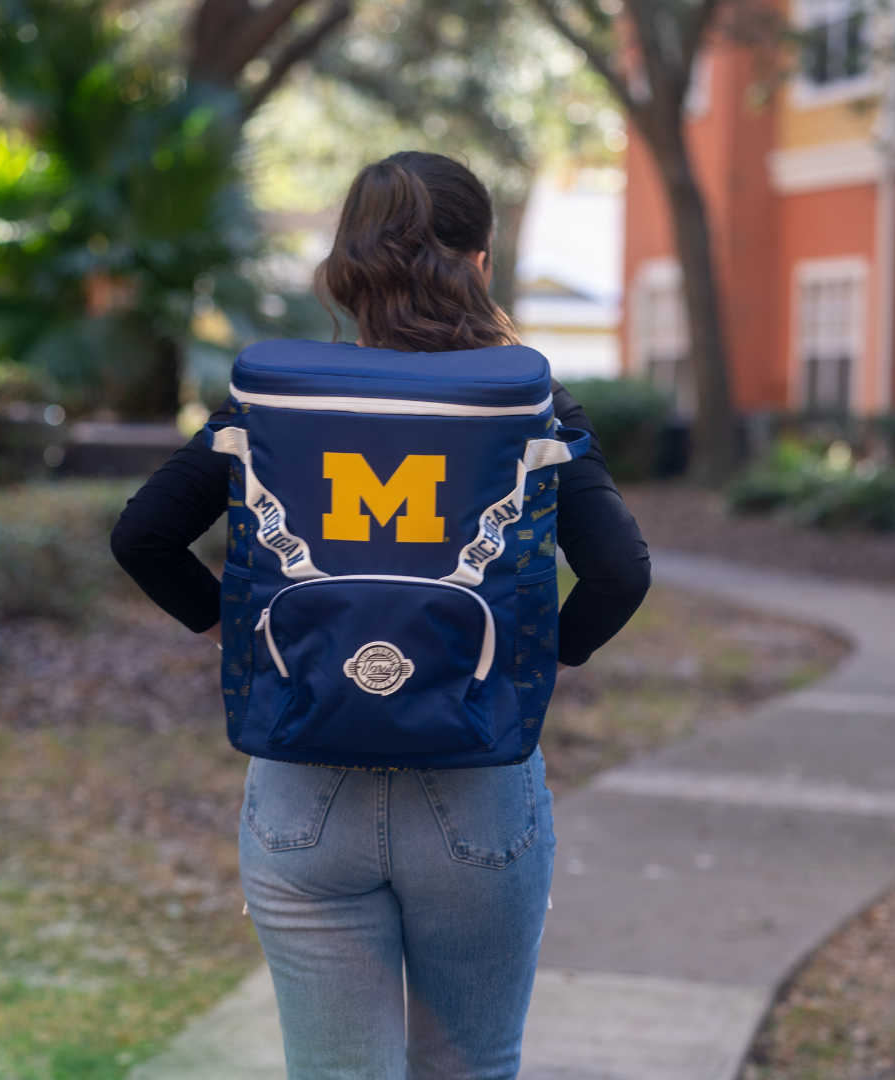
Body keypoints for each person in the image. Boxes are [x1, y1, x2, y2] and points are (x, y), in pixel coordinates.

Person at [112, 151, 651, 1080]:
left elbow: (145, 534)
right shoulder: (529, 403)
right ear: (480, 261)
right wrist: (541, 656)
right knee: (471, 1069)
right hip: (479, 778)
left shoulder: (274, 398)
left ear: (346, 267)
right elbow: (621, 570)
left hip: (302, 785)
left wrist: (226, 632)